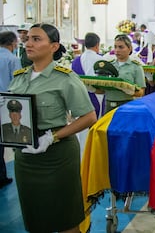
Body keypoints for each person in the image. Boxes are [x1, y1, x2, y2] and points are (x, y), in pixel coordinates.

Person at [7, 23, 97, 233]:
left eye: (36, 39)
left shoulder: (65, 79)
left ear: (54, 46)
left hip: (57, 157)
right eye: (28, 38)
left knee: (66, 218)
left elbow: (89, 116)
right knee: (35, 217)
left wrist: (52, 137)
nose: (28, 43)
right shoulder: (19, 77)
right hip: (26, 157)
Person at [98, 34, 146, 113]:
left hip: (126, 105)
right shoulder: (109, 66)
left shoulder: (136, 67)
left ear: (129, 48)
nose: (117, 50)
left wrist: (130, 91)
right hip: (109, 105)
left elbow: (141, 92)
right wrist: (92, 88)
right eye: (115, 47)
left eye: (121, 47)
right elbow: (102, 90)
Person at [0, 30, 21, 188]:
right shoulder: (12, 59)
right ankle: (1, 175)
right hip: (5, 102)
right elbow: (17, 84)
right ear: (13, 43)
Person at [71, 32, 105, 118]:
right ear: (97, 45)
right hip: (97, 95)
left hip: (79, 97)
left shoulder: (75, 61)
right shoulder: (100, 60)